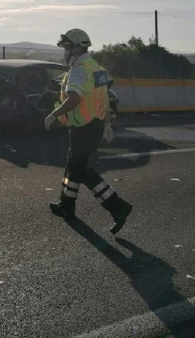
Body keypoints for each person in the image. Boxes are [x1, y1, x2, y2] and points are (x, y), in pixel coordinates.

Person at [45, 29, 132, 234]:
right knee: (73, 166)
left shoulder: (79, 70)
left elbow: (74, 98)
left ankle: (118, 206)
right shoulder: (97, 68)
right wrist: (107, 125)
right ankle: (66, 206)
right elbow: (104, 98)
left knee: (82, 170)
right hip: (94, 125)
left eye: (67, 47)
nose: (65, 52)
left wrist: (54, 114)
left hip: (83, 127)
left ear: (76, 47)